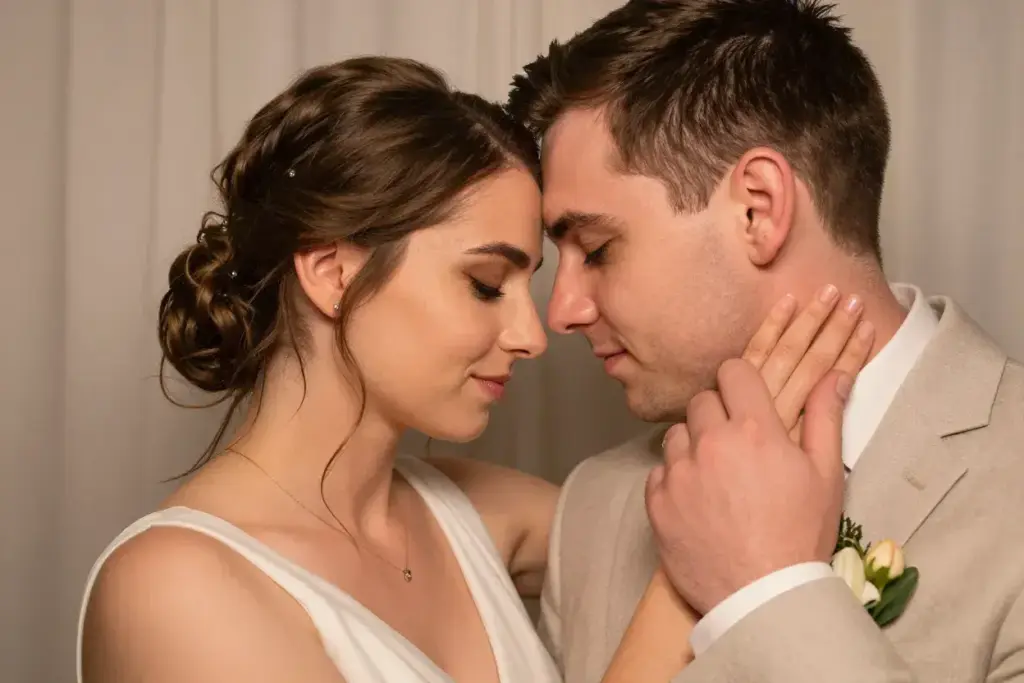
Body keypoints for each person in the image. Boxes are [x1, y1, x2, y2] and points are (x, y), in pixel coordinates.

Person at [74, 54, 865, 683]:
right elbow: (705, 557)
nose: (533, 332)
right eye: (486, 283)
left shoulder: (479, 512)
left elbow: (722, 515)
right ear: (331, 272)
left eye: (531, 284)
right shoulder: (171, 589)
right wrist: (676, 593)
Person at [507, 0, 1024, 682]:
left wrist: (770, 586)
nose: (562, 311)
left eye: (597, 248)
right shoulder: (595, 505)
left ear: (759, 208)